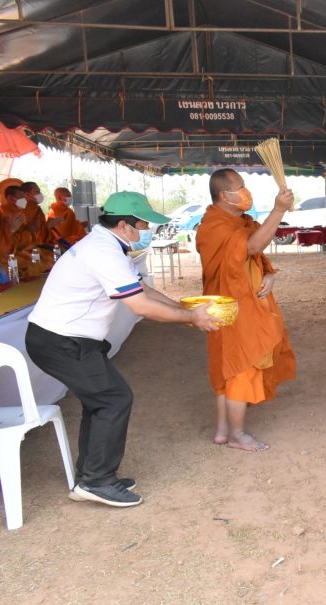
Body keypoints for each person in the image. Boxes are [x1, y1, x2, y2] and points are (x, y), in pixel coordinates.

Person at [25, 191, 221, 507]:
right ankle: (96, 481)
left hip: (63, 340)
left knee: (100, 400)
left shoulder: (106, 246)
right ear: (124, 224)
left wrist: (182, 308)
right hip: (60, 341)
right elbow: (140, 305)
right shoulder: (104, 252)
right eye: (141, 224)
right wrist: (190, 317)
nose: (144, 230)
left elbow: (140, 287)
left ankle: (91, 476)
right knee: (113, 398)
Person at [196, 170, 297, 452]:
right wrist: (279, 209)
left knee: (228, 367)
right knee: (240, 366)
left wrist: (269, 274)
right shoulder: (213, 226)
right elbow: (251, 245)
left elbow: (254, 255)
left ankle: (222, 430)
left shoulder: (238, 221)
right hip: (232, 306)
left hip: (245, 302)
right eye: (240, 187)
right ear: (223, 195)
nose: (246, 192)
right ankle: (237, 434)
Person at [19, 181, 51, 246]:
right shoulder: (26, 208)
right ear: (27, 194)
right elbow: (34, 231)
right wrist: (49, 225)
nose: (40, 194)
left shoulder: (34, 207)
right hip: (29, 246)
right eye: (37, 192)